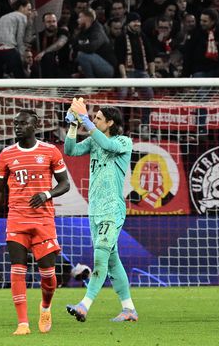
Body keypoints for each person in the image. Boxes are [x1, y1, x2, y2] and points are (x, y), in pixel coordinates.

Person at [0, 109, 71, 335]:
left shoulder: (50, 151)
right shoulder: (6, 154)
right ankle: (22, 323)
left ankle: (45, 306)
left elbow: (65, 184)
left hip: (43, 220)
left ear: (35, 125)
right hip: (17, 219)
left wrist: (47, 194)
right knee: (17, 269)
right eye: (16, 124)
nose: (17, 127)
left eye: (23, 124)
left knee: (48, 274)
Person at [62, 99, 138, 323]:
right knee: (113, 261)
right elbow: (70, 150)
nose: (94, 120)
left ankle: (84, 305)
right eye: (93, 117)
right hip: (94, 210)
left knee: (100, 257)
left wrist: (85, 119)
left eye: (98, 118)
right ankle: (129, 309)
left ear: (110, 122)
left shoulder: (124, 142)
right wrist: (75, 124)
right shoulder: (95, 141)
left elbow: (108, 145)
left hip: (112, 209)